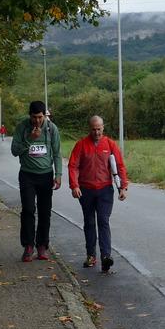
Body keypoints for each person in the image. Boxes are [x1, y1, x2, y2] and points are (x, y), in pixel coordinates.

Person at [68, 115, 128, 273]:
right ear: (90, 129)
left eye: (99, 129)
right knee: (89, 222)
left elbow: (120, 166)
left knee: (103, 221)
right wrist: (74, 185)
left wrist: (123, 187)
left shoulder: (110, 144)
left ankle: (106, 257)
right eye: (93, 129)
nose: (96, 132)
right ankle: (91, 256)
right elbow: (73, 165)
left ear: (103, 127)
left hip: (105, 190)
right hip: (85, 190)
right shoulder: (81, 145)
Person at [10, 100, 62, 262]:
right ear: (29, 115)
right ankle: (28, 246)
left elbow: (57, 152)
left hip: (46, 175)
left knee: (45, 212)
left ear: (44, 115)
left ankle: (42, 245)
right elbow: (14, 151)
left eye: (40, 117)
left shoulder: (51, 128)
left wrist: (58, 174)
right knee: (28, 210)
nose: (38, 121)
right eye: (34, 117)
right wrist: (30, 139)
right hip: (27, 175)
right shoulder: (22, 127)